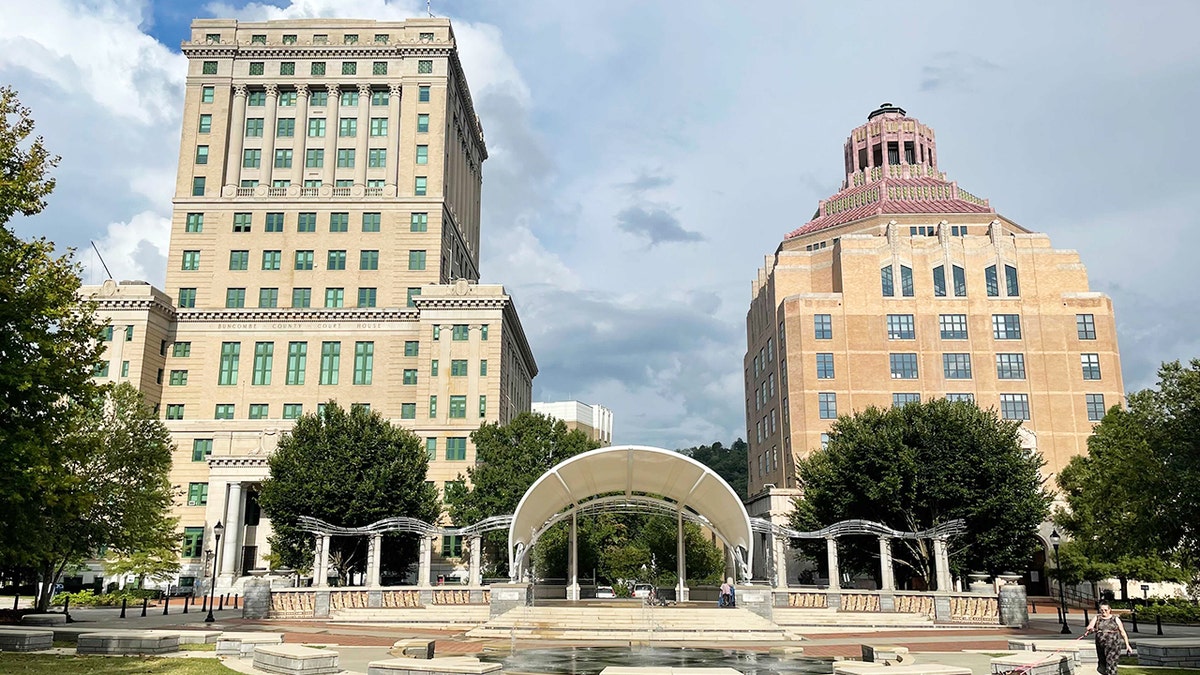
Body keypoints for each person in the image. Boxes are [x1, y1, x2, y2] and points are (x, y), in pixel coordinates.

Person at [1085, 602, 1132, 675]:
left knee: (1111, 662)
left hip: (1114, 645)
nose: (1103, 611)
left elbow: (1122, 632)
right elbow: (1089, 627)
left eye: (1105, 610)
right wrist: (1091, 629)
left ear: (1110, 610)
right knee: (1102, 664)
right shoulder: (1097, 618)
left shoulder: (1115, 619)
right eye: (1102, 610)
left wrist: (1127, 645)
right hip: (1101, 645)